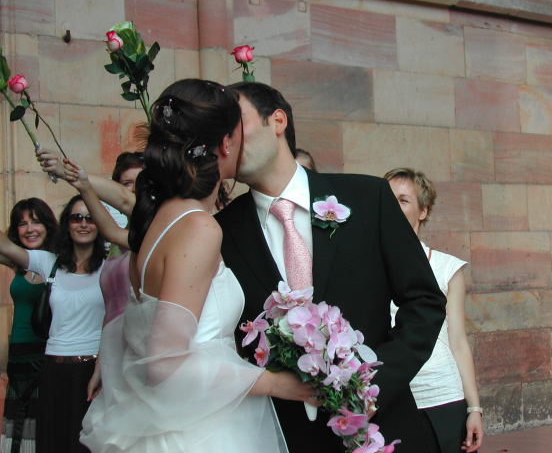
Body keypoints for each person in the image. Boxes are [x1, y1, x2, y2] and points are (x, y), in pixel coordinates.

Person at [79, 79, 316, 452]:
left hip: (174, 418)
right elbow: (164, 363)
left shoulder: (158, 219)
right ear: (226, 143)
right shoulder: (198, 228)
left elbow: (131, 329)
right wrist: (274, 383)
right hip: (200, 430)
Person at [215, 81, 447, 452]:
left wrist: (373, 384)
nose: (225, 139)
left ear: (277, 121)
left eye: (234, 122)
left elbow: (424, 301)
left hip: (382, 425)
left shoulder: (368, 197)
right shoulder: (220, 232)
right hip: (283, 435)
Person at [384, 167, 484, 453]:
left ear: (423, 211)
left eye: (403, 200)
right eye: (387, 200)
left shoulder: (446, 268)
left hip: (442, 398)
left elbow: (458, 342)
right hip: (389, 399)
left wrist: (474, 408)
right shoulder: (366, 266)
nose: (393, 207)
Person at [0, 195, 106, 453]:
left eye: (90, 217)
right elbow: (6, 247)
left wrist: (102, 366)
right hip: (52, 367)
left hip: (92, 369)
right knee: (52, 441)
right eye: (76, 217)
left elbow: (115, 322)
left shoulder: (111, 267)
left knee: (85, 444)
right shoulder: (49, 262)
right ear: (66, 223)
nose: (83, 223)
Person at [0, 199, 58, 453]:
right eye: (22, 224)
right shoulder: (19, 261)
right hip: (18, 357)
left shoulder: (61, 261)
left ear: (48, 225)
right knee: (18, 427)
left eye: (36, 221)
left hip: (45, 355)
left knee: (44, 424)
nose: (30, 229)